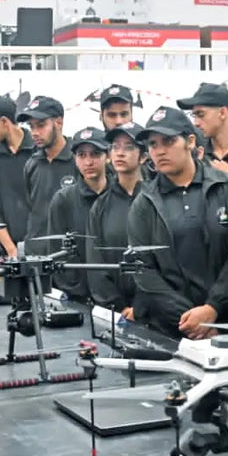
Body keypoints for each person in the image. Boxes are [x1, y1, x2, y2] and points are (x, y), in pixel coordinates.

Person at [127, 106, 228, 338]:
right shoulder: (144, 203)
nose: (159, 151)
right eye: (153, 144)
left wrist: (213, 308)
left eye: (168, 141)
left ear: (189, 141)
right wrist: (188, 319)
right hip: (173, 329)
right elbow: (143, 270)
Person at [87, 123, 146, 315]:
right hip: (115, 313)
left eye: (129, 147)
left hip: (156, 309)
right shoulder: (101, 205)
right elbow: (95, 264)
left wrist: (144, 305)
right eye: (115, 147)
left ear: (144, 156)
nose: (120, 153)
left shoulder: (157, 200)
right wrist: (119, 307)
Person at [48, 126, 109, 301]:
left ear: (108, 156)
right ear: (74, 159)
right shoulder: (63, 200)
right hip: (79, 297)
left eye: (95, 154)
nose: (88, 162)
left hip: (119, 298)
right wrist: (78, 294)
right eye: (81, 155)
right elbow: (58, 255)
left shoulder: (119, 196)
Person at [0, 96, 34, 258]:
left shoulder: (38, 150)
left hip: (44, 248)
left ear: (4, 122)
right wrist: (11, 249)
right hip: (8, 250)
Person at [18, 96, 77, 249]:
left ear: (58, 122)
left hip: (69, 254)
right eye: (32, 127)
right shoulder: (31, 164)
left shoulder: (79, 160)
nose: (35, 133)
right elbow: (30, 209)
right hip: (37, 254)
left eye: (41, 125)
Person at [180, 83, 228, 191]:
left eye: (201, 114)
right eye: (194, 116)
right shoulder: (198, 155)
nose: (196, 123)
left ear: (222, 113)